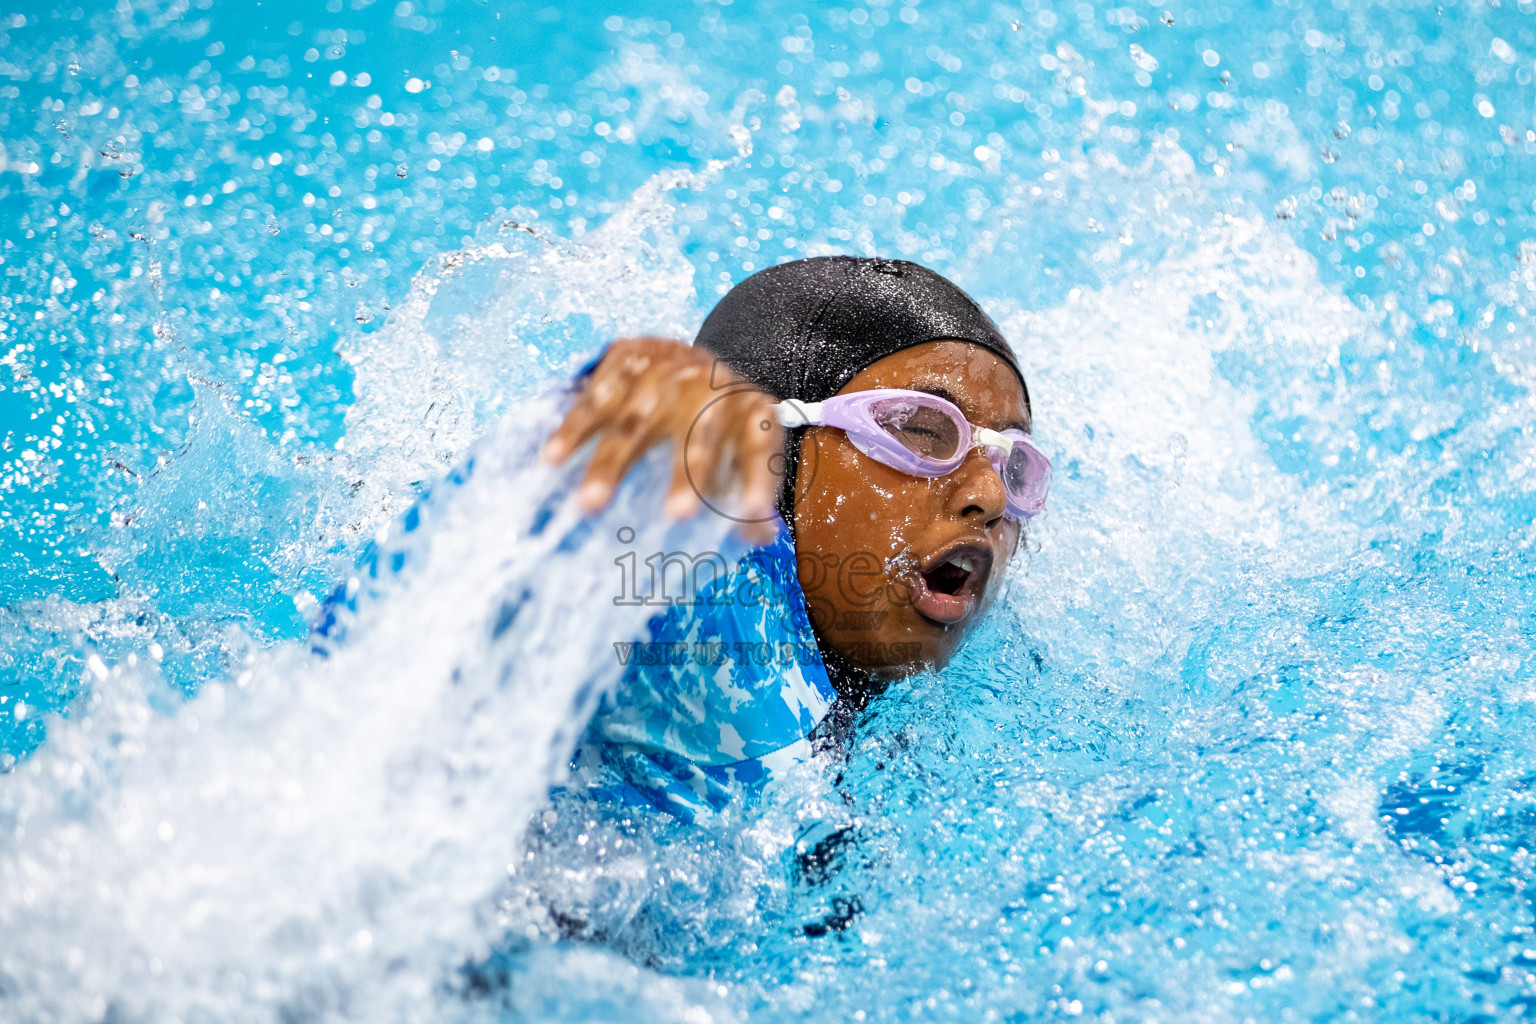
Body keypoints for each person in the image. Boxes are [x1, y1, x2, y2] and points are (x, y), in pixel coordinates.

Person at [546, 256, 1050, 823]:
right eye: (922, 431)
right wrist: (663, 414)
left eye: (1015, 464)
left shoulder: (954, 717)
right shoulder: (700, 597)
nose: (990, 496)